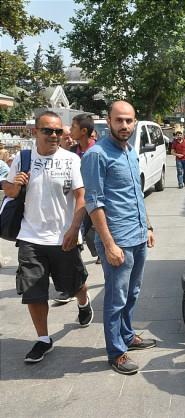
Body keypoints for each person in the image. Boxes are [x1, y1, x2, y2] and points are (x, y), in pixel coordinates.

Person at [4, 110, 93, 363]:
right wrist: (16, 185)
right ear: (35, 132)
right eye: (47, 131)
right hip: (31, 237)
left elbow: (81, 196)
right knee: (34, 291)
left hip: (63, 237)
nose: (54, 135)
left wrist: (74, 229)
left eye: (58, 131)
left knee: (75, 283)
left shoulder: (71, 159)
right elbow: (9, 192)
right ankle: (43, 339)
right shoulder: (22, 159)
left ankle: (84, 303)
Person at [81, 101, 157, 375]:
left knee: (132, 292)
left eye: (129, 120)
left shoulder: (129, 151)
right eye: (119, 120)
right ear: (109, 121)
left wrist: (147, 226)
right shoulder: (97, 155)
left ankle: (126, 335)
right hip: (117, 239)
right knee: (115, 297)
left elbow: (136, 193)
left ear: (135, 122)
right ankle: (116, 352)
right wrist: (109, 244)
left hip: (136, 234)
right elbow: (94, 202)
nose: (124, 125)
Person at [54, 113, 99, 304]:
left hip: (96, 205)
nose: (69, 132)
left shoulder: (98, 151)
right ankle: (73, 285)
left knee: (94, 238)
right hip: (78, 205)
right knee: (73, 241)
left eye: (72, 127)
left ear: (84, 131)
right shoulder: (71, 152)